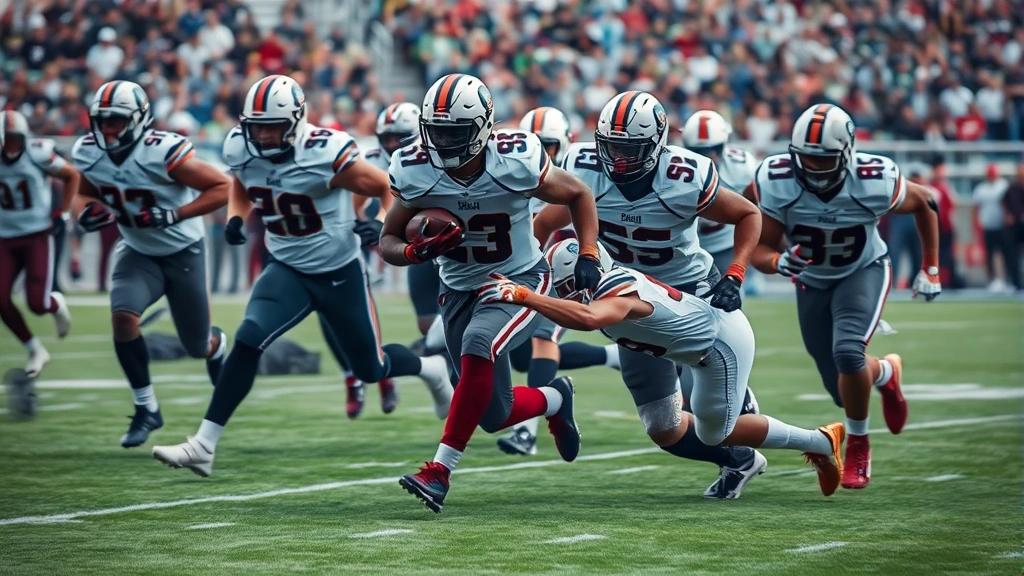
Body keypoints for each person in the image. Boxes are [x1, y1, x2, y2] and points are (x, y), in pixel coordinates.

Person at [151, 75, 451, 477]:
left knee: (371, 368)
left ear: (295, 120)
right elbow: (242, 180)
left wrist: (379, 224)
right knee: (248, 338)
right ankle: (204, 444)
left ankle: (428, 369)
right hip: (287, 268)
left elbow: (387, 188)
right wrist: (239, 216)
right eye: (256, 126)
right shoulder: (242, 147)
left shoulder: (324, 151)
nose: (263, 135)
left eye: (272, 126)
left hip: (339, 271)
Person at [381, 73, 601, 513]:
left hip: (519, 277)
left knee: (479, 343)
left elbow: (578, 193)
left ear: (483, 127)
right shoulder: (414, 166)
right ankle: (556, 398)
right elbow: (386, 241)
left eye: (454, 132)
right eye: (436, 130)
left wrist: (589, 253)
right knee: (492, 414)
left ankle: (439, 471)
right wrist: (414, 250)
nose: (442, 141)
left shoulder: (515, 158)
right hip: (459, 288)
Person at [480, 240, 846, 498]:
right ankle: (818, 441)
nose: (569, 293)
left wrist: (527, 296)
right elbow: (581, 315)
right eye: (564, 288)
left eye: (571, 286)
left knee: (716, 433)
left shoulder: (616, 288)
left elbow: (590, 318)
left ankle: (820, 442)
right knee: (702, 429)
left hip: (720, 347)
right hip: (693, 352)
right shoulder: (605, 287)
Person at [534, 91, 766, 499]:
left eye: (630, 148)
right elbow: (544, 223)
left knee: (709, 412)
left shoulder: (685, 173)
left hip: (689, 291)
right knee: (663, 427)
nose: (619, 159)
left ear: (656, 144)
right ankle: (739, 461)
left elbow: (748, 213)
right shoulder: (584, 168)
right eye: (612, 146)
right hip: (628, 298)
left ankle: (758, 410)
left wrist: (735, 272)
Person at [749, 103, 941, 489]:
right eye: (805, 159)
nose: (813, 168)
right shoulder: (776, 178)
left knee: (848, 353)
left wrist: (930, 268)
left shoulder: (875, 177)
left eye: (823, 160)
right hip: (812, 279)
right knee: (840, 387)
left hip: (862, 270)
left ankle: (859, 444)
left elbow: (925, 202)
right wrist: (777, 262)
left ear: (847, 153)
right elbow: (759, 247)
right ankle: (885, 372)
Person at [71, 81, 231, 448]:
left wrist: (174, 213)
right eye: (102, 120)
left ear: (139, 120)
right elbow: (82, 193)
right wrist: (82, 214)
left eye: (115, 120)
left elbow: (222, 187)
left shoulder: (162, 151)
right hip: (138, 251)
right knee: (123, 318)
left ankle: (216, 345)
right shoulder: (88, 152)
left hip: (183, 252)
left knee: (196, 345)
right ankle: (147, 407)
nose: (107, 128)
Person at [497, 106, 621, 457]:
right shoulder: (512, 169)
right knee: (522, 356)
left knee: (542, 339)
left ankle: (526, 431)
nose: (542, 152)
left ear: (565, 143)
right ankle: (610, 356)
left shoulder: (581, 170)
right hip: (533, 266)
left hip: (574, 268)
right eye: (535, 143)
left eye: (548, 145)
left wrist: (588, 255)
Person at [347, 101, 428, 418]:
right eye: (388, 137)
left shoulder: (431, 155)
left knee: (442, 330)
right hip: (403, 246)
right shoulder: (371, 159)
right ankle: (369, 376)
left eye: (400, 137)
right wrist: (363, 223)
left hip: (443, 243)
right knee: (426, 326)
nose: (393, 144)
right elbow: (352, 202)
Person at [0, 111, 78, 377]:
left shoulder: (37, 152)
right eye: (6, 139)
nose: (11, 145)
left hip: (36, 234)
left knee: (37, 303)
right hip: (4, 237)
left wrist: (63, 212)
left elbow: (71, 175)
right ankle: (34, 348)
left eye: (15, 139)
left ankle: (54, 304)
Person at [680, 110, 759, 277]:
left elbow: (755, 208)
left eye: (713, 149)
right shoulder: (675, 165)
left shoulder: (742, 166)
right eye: (696, 151)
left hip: (724, 243)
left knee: (729, 296)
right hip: (685, 246)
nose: (707, 156)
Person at [973, 164, 1011, 290]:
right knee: (989, 255)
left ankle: (1006, 280)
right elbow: (976, 208)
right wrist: (976, 225)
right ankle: (992, 280)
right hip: (987, 225)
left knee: (1005, 254)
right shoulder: (981, 189)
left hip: (1001, 225)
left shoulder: (1004, 186)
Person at [1003, 162, 1024, 291]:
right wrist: (1008, 215)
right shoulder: (1011, 188)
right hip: (1015, 226)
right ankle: (1016, 282)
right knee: (1013, 255)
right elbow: (1004, 203)